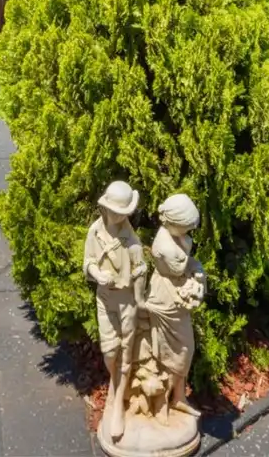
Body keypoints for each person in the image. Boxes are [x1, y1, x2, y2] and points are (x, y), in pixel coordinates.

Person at [84, 180, 145, 442]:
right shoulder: (95, 232)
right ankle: (115, 381)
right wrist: (97, 273)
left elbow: (141, 269)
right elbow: (87, 262)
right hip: (105, 297)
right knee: (110, 350)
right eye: (115, 211)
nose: (119, 216)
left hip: (126, 300)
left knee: (126, 349)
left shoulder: (131, 241)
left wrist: (140, 295)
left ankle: (118, 398)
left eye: (123, 213)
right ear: (105, 207)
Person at [141, 193, 205, 421]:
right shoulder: (164, 247)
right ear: (173, 223)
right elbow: (180, 270)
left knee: (184, 350)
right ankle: (161, 403)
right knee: (169, 353)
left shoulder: (176, 235)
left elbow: (188, 266)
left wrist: (198, 277)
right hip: (166, 298)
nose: (189, 233)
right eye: (186, 228)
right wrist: (193, 276)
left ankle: (178, 397)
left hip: (174, 294)